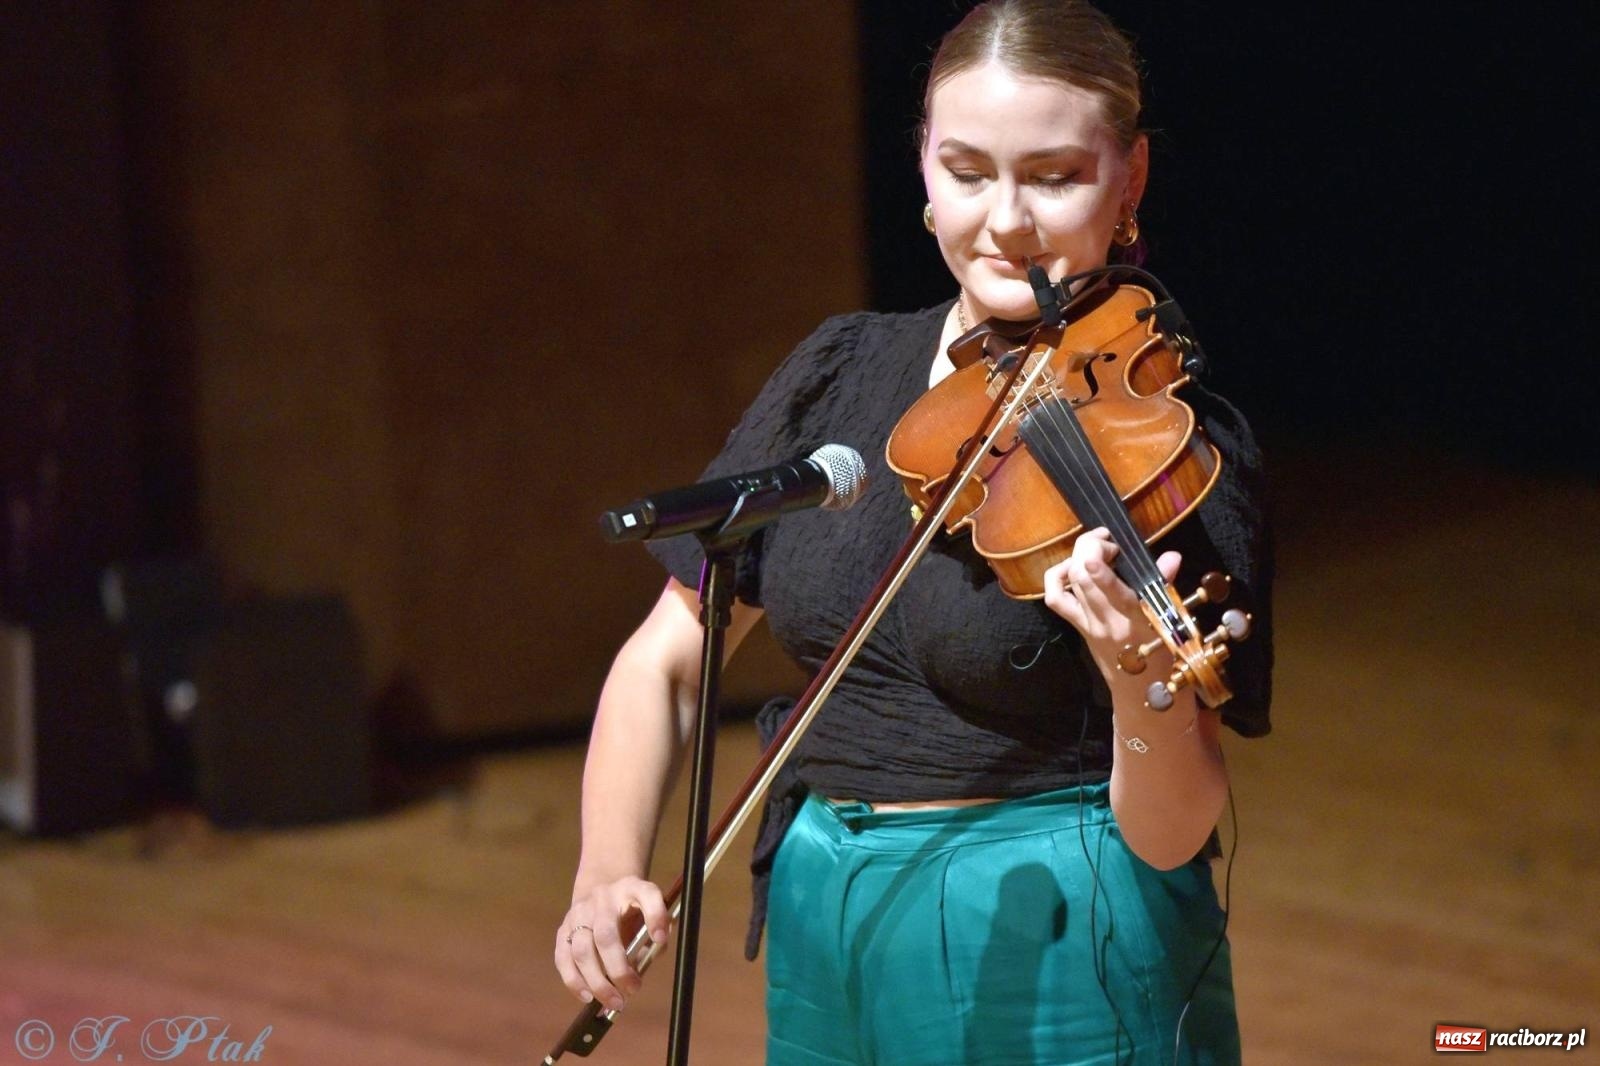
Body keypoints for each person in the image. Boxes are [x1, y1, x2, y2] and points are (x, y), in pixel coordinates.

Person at [554, 1, 1273, 1062]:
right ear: (923, 172)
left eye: (1055, 175)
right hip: (820, 904)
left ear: (1131, 180)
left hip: (1054, 923)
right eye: (968, 170)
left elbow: (1169, 833)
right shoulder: (843, 369)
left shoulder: (1169, 443)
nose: (1006, 221)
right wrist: (605, 867)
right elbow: (669, 655)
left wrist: (1137, 680)